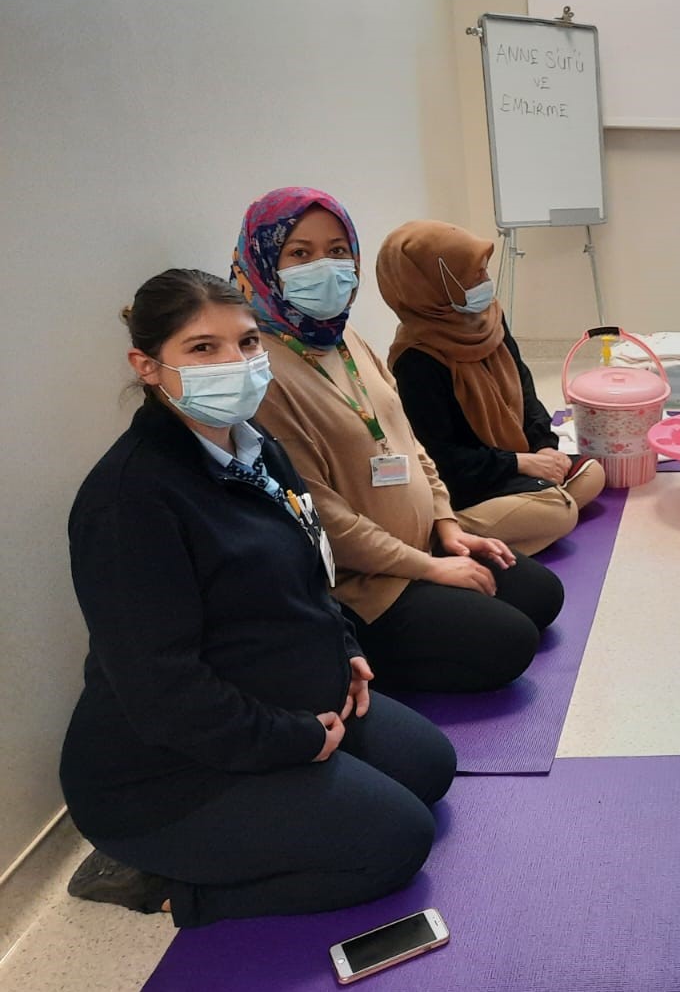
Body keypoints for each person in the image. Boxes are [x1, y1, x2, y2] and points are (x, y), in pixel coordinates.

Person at [60, 269, 455, 927]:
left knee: (430, 766)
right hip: (163, 772)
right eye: (203, 348)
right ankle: (159, 884)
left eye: (246, 343)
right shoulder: (129, 501)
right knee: (396, 845)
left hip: (275, 698)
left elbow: (309, 565)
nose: (236, 363)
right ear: (147, 367)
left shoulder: (256, 447)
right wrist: (295, 739)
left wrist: (344, 650)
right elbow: (162, 690)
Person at [233, 187, 563, 694]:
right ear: (262, 264)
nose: (326, 267)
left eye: (337, 250)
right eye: (300, 253)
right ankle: (352, 656)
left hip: (425, 540)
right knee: (511, 643)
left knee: (542, 595)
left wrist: (448, 527)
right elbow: (323, 518)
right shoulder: (264, 373)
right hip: (365, 582)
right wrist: (430, 569)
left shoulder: (343, 339)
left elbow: (409, 442)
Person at [374, 219, 605, 555]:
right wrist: (519, 463)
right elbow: (443, 460)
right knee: (560, 513)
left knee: (593, 474)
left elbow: (524, 387)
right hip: (468, 483)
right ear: (432, 284)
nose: (485, 281)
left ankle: (508, 529)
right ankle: (448, 534)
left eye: (484, 269)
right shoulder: (416, 359)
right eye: (474, 274)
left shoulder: (489, 318)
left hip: (511, 461)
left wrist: (542, 447)